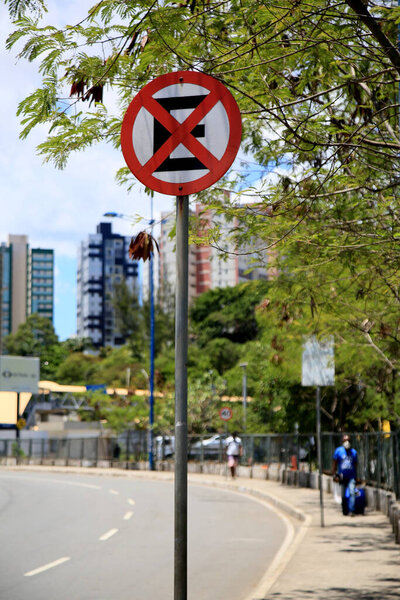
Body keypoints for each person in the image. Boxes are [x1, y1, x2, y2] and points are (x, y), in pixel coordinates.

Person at [332, 434, 358, 516]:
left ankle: (352, 510)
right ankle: (345, 510)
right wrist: (334, 474)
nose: (347, 442)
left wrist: (356, 476)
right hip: (342, 477)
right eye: (345, 441)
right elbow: (335, 463)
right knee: (343, 495)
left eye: (348, 441)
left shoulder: (354, 452)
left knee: (352, 493)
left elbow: (356, 464)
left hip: (351, 476)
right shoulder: (338, 451)